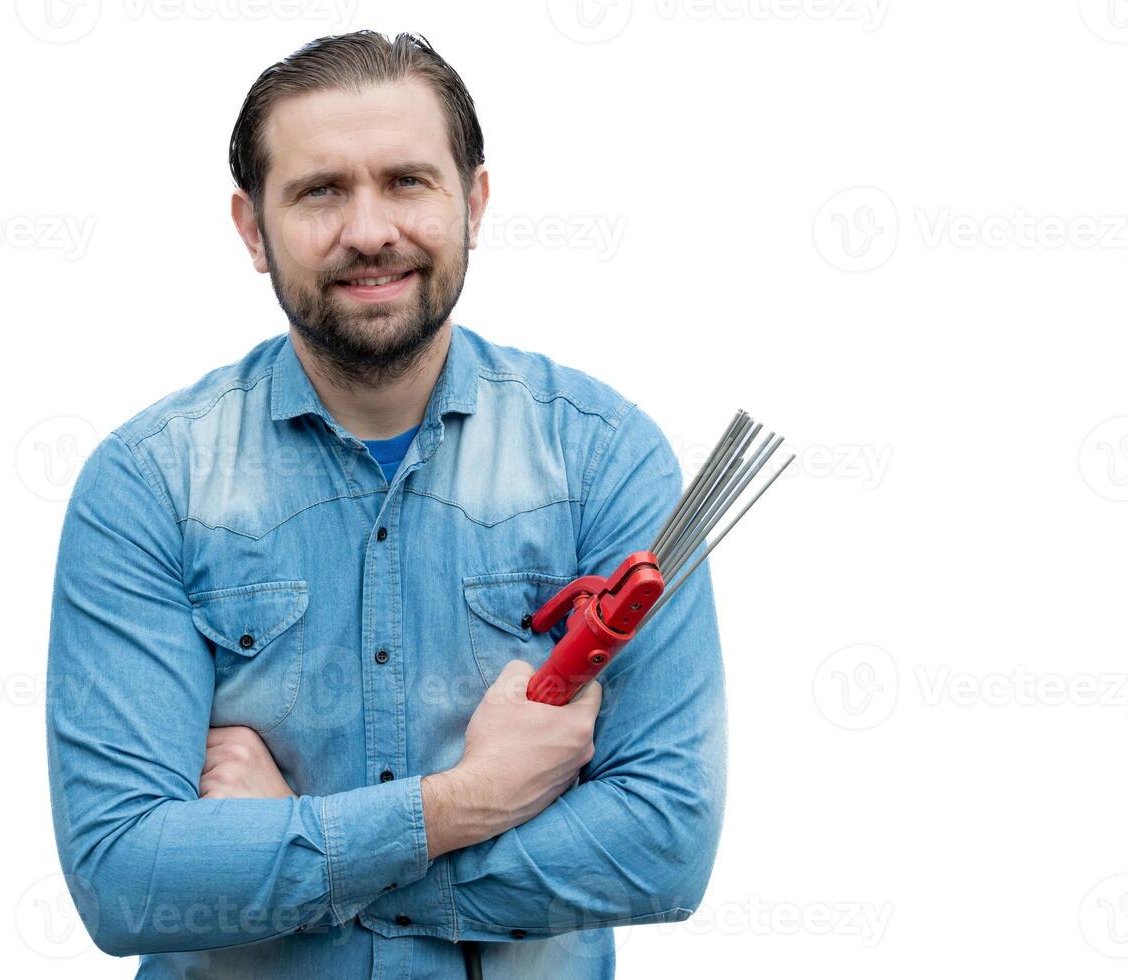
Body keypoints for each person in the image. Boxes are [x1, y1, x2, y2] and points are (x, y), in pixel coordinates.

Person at [46, 30, 726, 980]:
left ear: (473, 202)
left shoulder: (603, 459)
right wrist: (468, 801)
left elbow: (663, 846)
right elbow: (125, 881)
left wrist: (289, 850)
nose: (370, 230)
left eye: (407, 180)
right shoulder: (149, 486)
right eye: (321, 190)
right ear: (252, 228)